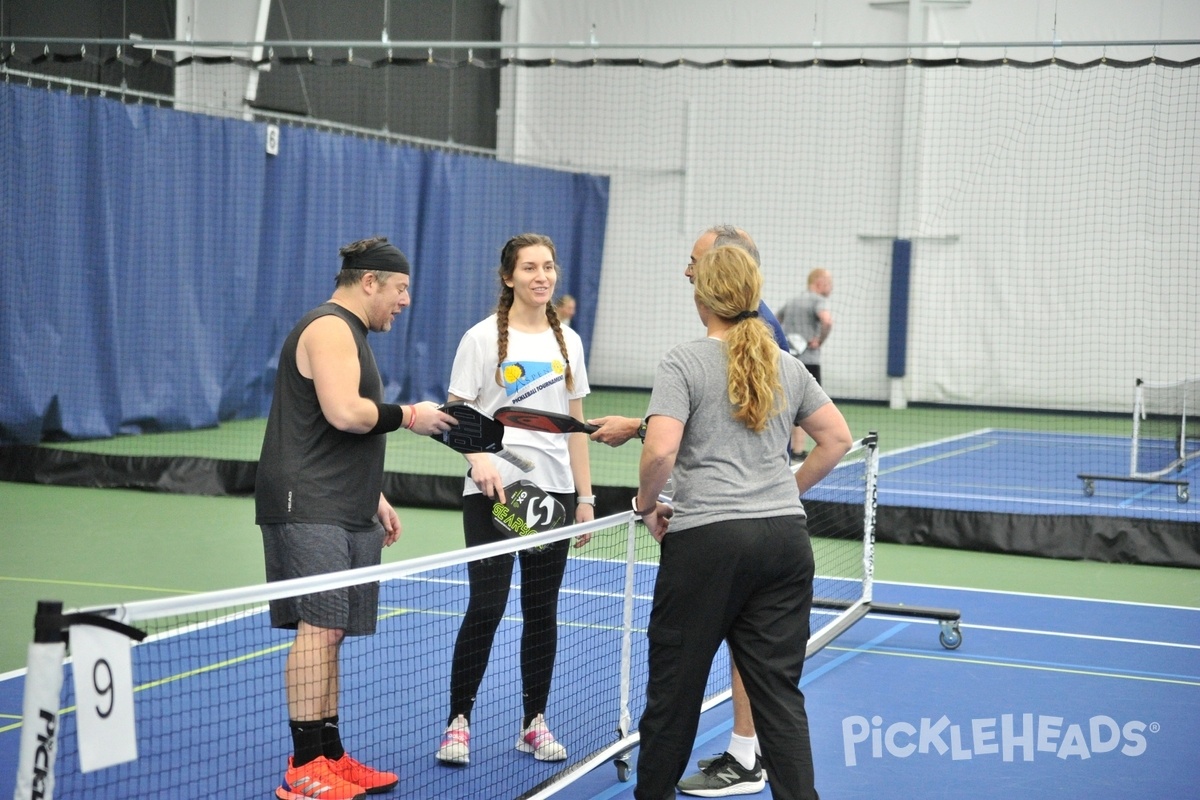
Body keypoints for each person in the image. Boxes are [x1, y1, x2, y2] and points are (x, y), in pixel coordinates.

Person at [631, 245, 852, 800]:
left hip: (708, 545)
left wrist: (645, 504)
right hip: (785, 543)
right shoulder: (788, 364)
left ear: (703, 297)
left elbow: (660, 452)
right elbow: (837, 441)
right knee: (780, 699)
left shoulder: (683, 362)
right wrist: (783, 493)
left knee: (674, 699)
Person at [587, 224, 793, 796]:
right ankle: (747, 754)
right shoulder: (738, 335)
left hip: (717, 532)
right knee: (763, 667)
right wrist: (641, 424)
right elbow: (721, 414)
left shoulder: (751, 338)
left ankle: (745, 756)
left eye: (696, 263)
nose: (687, 272)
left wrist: (646, 495)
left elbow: (734, 432)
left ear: (725, 275)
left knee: (686, 679)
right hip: (772, 532)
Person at [256, 237, 457, 800]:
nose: (406, 299)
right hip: (307, 503)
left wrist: (373, 496)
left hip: (345, 501)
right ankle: (303, 769)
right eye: (399, 288)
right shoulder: (328, 328)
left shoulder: (354, 334)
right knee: (318, 628)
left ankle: (331, 755)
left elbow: (331, 430)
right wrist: (411, 415)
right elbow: (345, 413)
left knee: (333, 631)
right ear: (369, 282)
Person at [436, 233, 595, 767]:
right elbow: (452, 413)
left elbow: (576, 428)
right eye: (529, 268)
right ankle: (459, 722)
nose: (541, 276)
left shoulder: (569, 342)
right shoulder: (480, 339)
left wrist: (585, 497)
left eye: (548, 267)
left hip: (550, 493)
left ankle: (533, 722)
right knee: (486, 605)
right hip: (494, 491)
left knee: (540, 610)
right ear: (509, 277)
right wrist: (477, 458)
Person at [778, 268, 834, 457]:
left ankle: (795, 450)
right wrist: (819, 340)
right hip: (809, 362)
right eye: (829, 282)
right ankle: (811, 448)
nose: (831, 287)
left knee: (788, 405)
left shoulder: (792, 301)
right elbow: (827, 321)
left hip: (788, 361)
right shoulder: (818, 301)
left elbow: (775, 321)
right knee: (810, 407)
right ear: (819, 282)